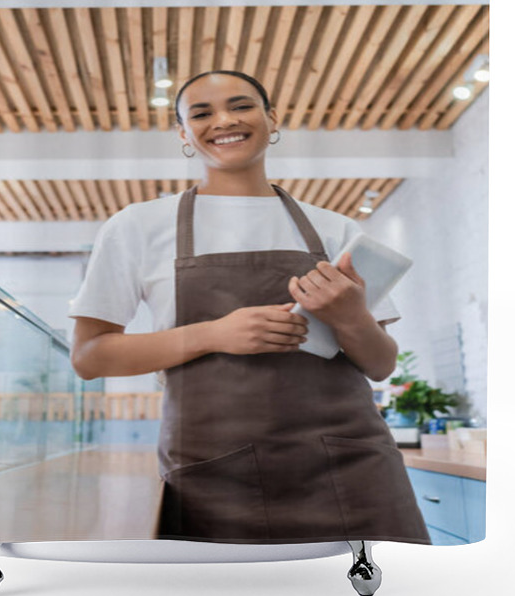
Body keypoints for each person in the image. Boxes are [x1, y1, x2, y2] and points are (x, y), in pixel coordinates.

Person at [68, 70, 431, 545]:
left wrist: (350, 316)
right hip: (215, 478)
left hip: (353, 467)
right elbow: (90, 356)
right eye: (201, 113)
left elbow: (381, 365)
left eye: (241, 106)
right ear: (183, 133)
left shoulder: (334, 230)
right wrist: (214, 334)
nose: (223, 121)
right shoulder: (138, 226)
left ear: (271, 118)